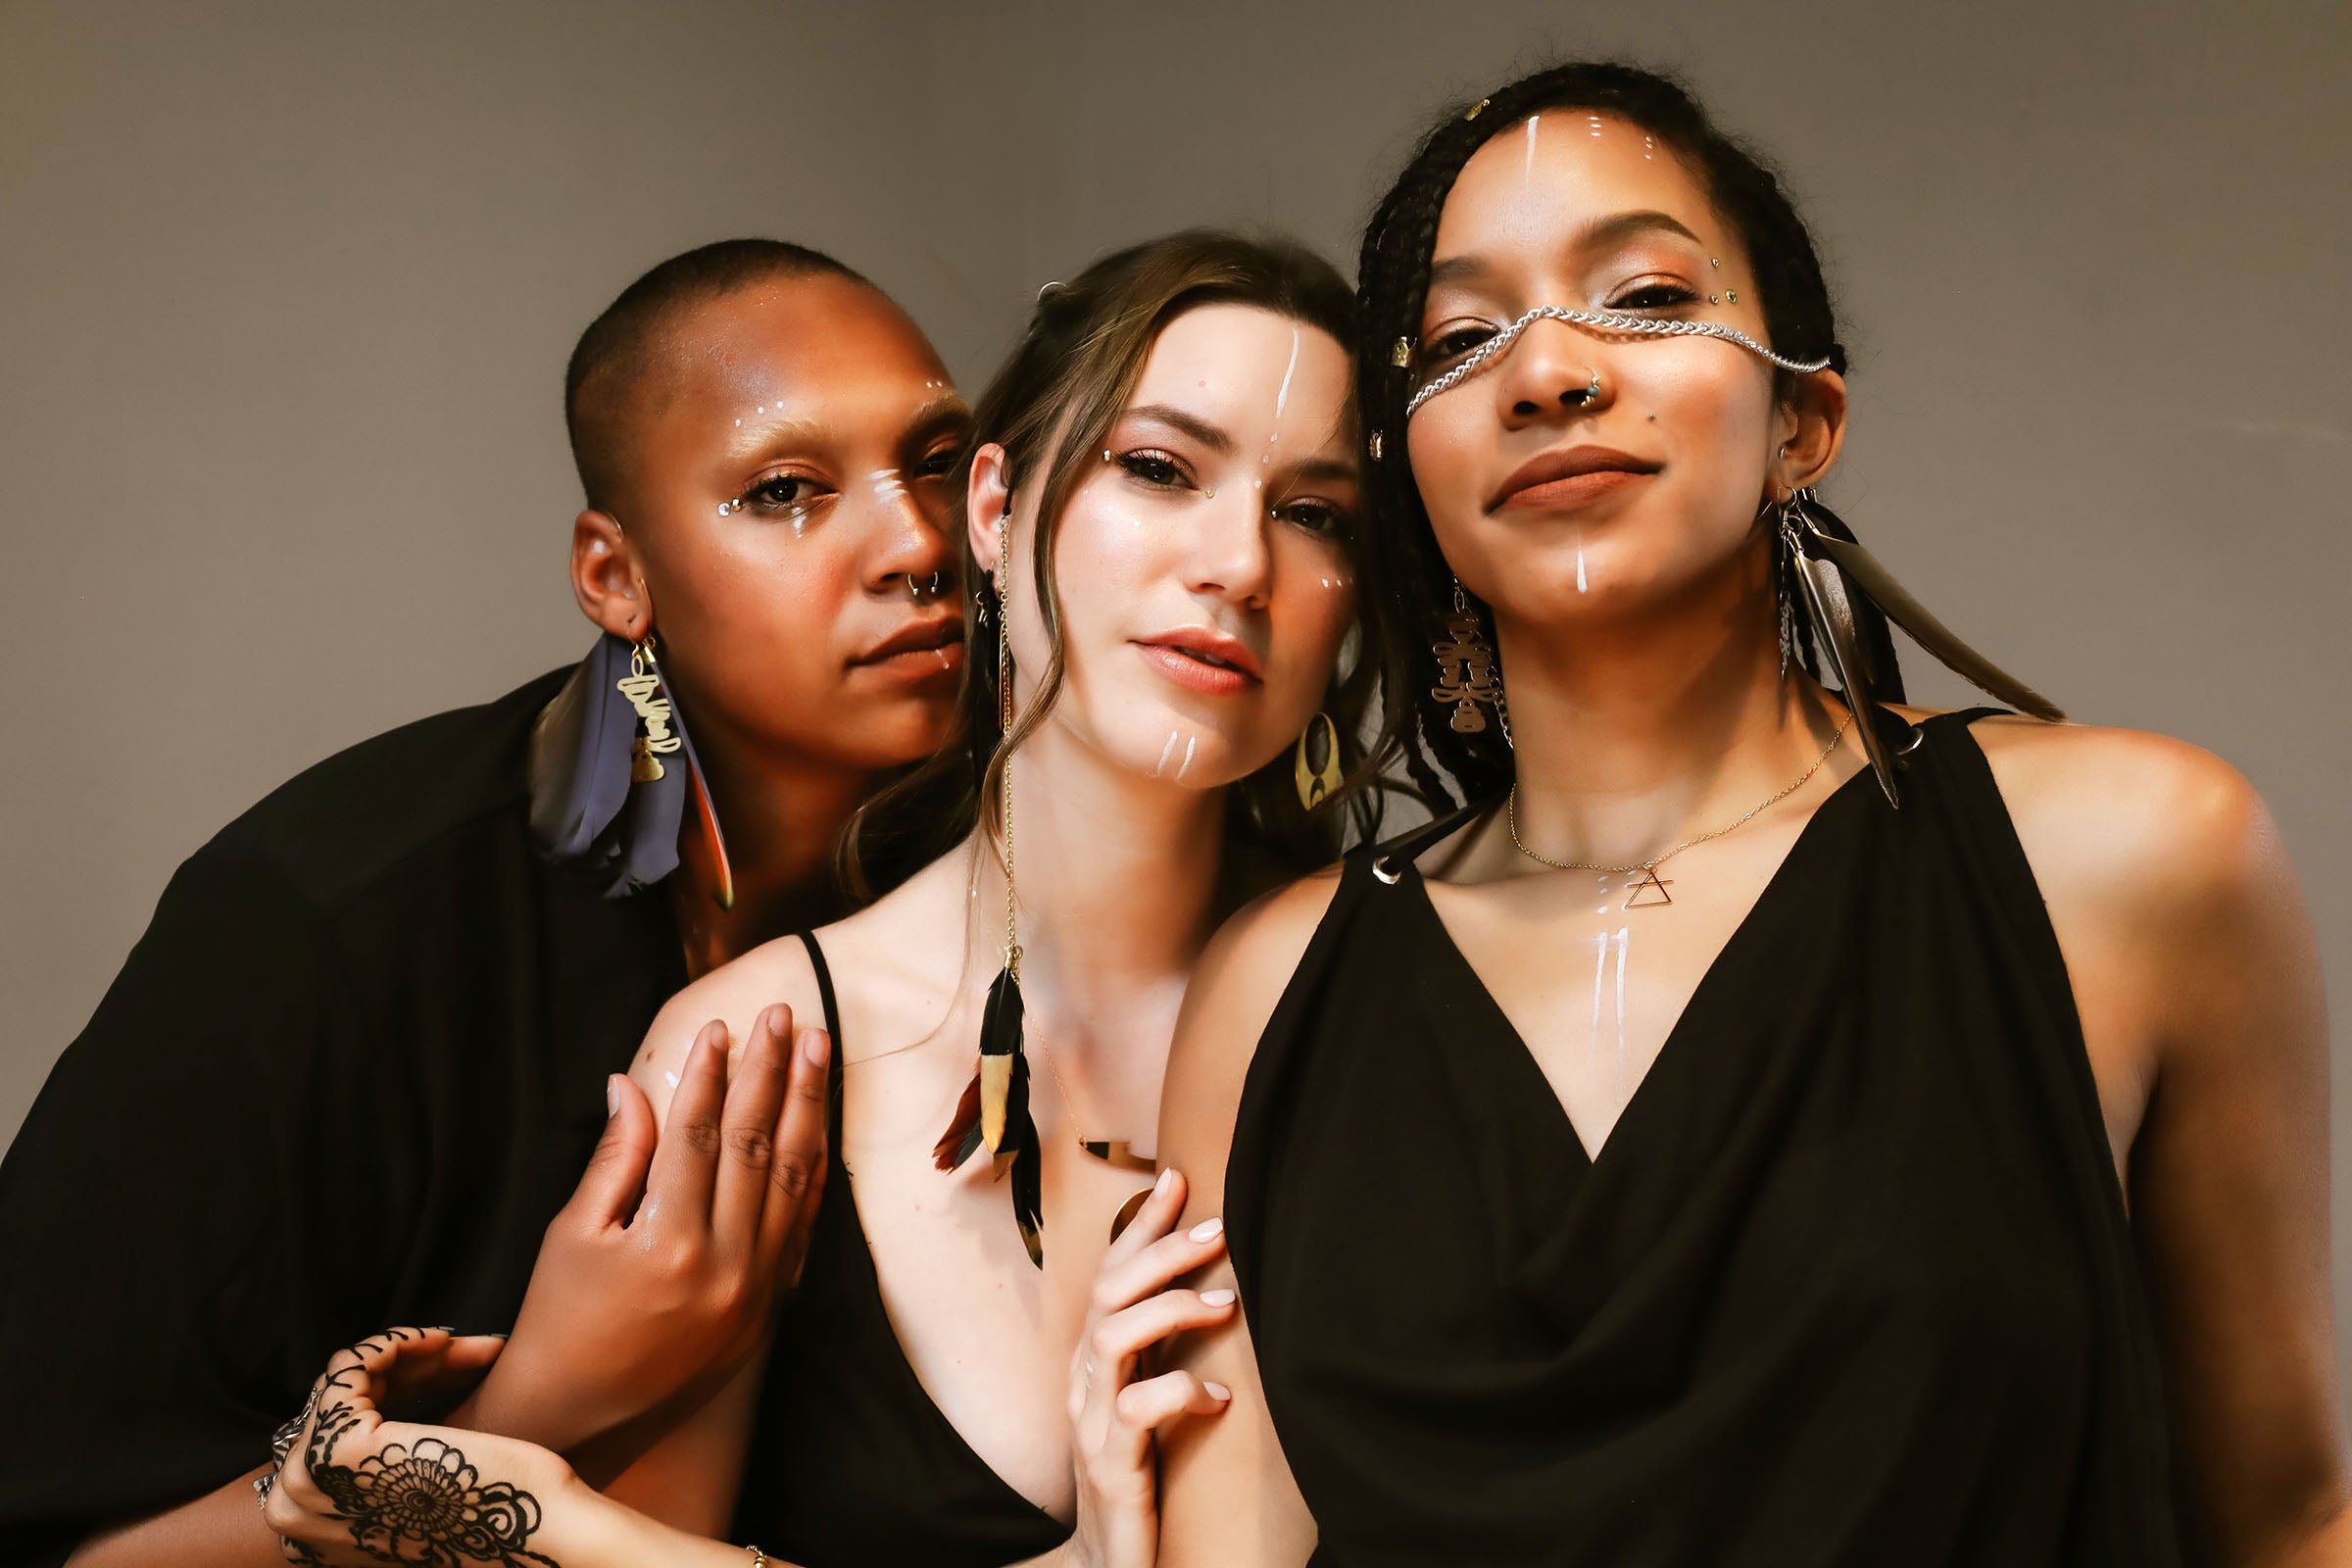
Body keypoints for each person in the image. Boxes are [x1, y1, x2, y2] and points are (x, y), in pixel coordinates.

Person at [1152, 63, 2343, 1566]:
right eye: (1464, 338)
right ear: (1417, 478)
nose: (1550, 371)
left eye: (1644, 297)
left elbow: (2293, 1524)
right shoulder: (1274, 995)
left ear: (1803, 421)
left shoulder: (2132, 862)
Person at [260, 229, 1377, 1568]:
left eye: (1314, 513)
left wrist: (574, 1537)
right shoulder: (753, 1047)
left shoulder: (1395, 999)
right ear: (993, 510)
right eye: (1157, 468)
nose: (1240, 565)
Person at [2, 237, 971, 1567]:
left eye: (935, 462)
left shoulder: (1027, 879)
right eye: (788, 490)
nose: (919, 543)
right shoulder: (325, 927)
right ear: (614, 578)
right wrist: (540, 1403)